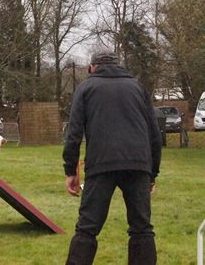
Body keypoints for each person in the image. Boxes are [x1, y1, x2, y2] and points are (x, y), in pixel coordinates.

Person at [62, 51, 162, 264]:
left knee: (87, 229)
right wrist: (152, 174)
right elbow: (154, 134)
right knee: (142, 229)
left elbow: (74, 133)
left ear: (92, 68)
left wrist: (71, 171)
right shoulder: (138, 88)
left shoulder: (86, 88)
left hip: (101, 165)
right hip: (138, 165)